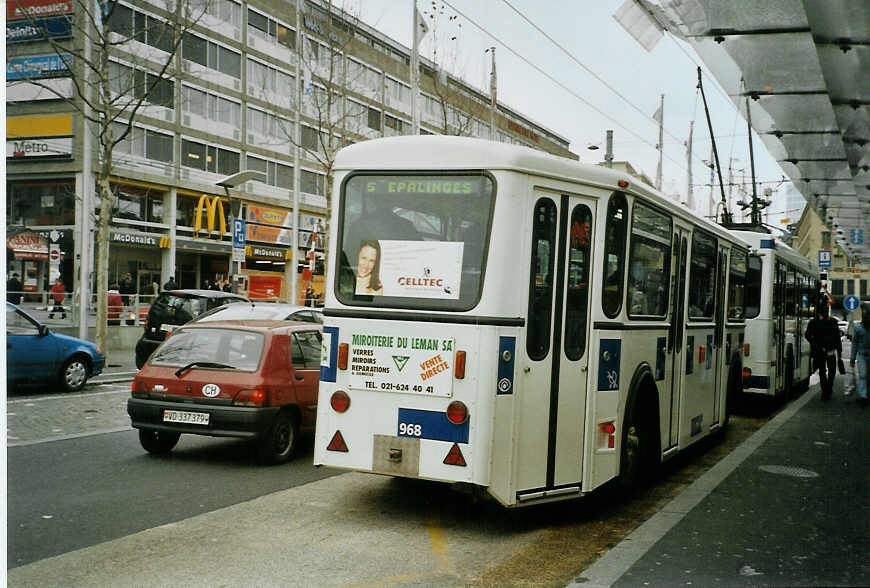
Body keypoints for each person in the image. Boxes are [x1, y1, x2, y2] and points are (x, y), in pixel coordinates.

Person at [805, 301, 842, 400]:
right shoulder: (833, 322)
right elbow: (837, 338)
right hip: (830, 349)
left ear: (818, 313)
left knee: (822, 371)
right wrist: (839, 353)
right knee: (832, 371)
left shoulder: (813, 322)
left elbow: (807, 335)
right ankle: (828, 388)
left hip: (819, 350)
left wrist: (814, 344)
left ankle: (825, 390)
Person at [849, 302, 870, 407]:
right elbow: (854, 343)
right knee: (862, 375)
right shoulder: (858, 328)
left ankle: (866, 394)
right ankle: (863, 396)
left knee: (867, 376)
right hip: (862, 355)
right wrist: (852, 358)